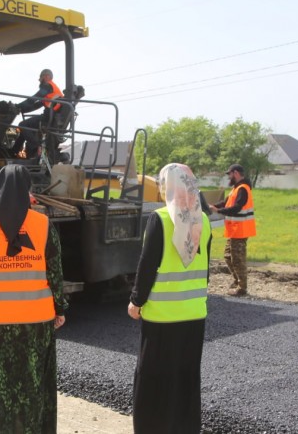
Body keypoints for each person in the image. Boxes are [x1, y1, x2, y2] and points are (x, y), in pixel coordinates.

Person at [0, 164, 68, 434]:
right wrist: (60, 308)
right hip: (36, 324)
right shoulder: (43, 226)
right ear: (27, 190)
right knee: (32, 386)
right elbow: (55, 273)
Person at [127, 163, 211, 434]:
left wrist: (136, 301)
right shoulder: (205, 221)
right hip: (194, 315)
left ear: (168, 187)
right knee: (186, 378)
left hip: (162, 318)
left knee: (153, 380)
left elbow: (147, 265)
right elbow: (206, 270)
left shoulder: (161, 219)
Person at [209, 163, 256, 296]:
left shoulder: (243, 189)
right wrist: (212, 206)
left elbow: (237, 208)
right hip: (234, 230)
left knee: (238, 259)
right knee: (228, 256)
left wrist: (219, 210)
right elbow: (226, 202)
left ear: (235, 173)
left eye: (229, 174)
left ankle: (242, 287)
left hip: (240, 230)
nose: (228, 176)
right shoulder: (236, 189)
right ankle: (237, 281)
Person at [9, 68, 63, 160]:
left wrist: (18, 105)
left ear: (47, 76)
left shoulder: (47, 86)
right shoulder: (51, 89)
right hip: (50, 116)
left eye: (41, 77)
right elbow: (37, 104)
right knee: (25, 129)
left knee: (22, 125)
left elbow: (34, 98)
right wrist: (22, 109)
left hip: (48, 118)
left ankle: (37, 146)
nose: (40, 80)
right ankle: (13, 151)